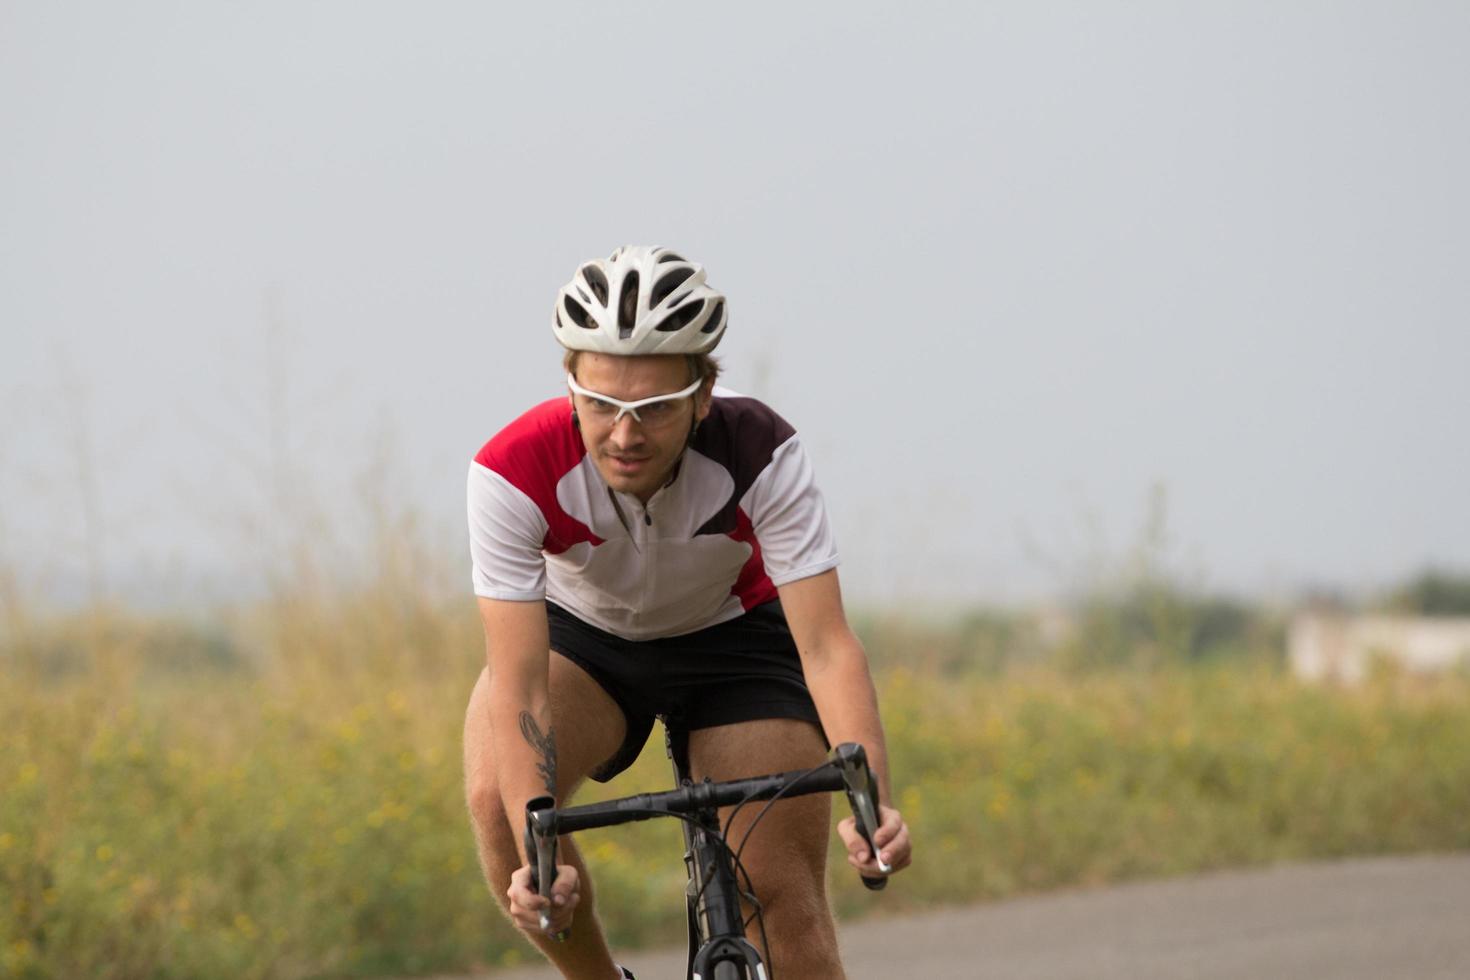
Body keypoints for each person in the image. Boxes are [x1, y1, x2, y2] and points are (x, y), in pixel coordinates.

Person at [463, 245, 911, 980]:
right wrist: (538, 856)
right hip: (588, 642)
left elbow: (827, 646)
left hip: (734, 641)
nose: (625, 435)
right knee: (499, 803)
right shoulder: (512, 469)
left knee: (778, 893)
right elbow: (520, 685)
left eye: (655, 409)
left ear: (704, 393)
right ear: (570, 386)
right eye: (602, 404)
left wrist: (875, 807)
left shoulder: (760, 449)